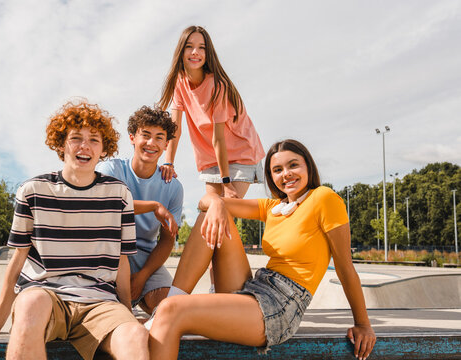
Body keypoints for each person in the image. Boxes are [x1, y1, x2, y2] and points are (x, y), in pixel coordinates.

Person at [0, 101, 149, 360]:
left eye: (94, 140)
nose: (85, 146)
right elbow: (18, 260)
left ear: (103, 149)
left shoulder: (119, 194)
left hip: (99, 302)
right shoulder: (33, 191)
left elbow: (122, 262)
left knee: (135, 336)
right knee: (31, 304)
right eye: (76, 138)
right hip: (45, 296)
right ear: (60, 144)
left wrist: (127, 314)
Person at [149, 139, 376, 360]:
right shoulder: (274, 207)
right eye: (277, 169)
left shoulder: (324, 198)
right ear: (271, 176)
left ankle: (162, 312)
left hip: (282, 303)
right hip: (257, 285)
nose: (286, 174)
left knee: (171, 311)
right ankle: (171, 300)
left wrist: (363, 324)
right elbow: (204, 201)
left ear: (308, 166)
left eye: (293, 165)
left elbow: (345, 267)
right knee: (209, 214)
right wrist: (219, 202)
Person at [158, 25, 265, 200]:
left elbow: (219, 138)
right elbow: (175, 128)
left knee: (224, 208)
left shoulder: (218, 85)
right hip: (211, 158)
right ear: (181, 50)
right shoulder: (180, 82)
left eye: (202, 48)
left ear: (209, 54)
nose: (195, 52)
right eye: (189, 46)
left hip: (241, 155)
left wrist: (226, 183)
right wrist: (168, 162)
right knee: (210, 217)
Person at [98, 105, 183, 315]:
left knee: (172, 308)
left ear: (166, 144)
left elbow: (167, 240)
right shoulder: (111, 170)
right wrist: (154, 206)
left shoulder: (172, 186)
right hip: (106, 253)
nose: (151, 143)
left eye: (159, 137)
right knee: (110, 311)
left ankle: (144, 314)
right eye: (145, 135)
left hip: (145, 256)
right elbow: (107, 206)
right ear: (132, 137)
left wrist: (143, 275)